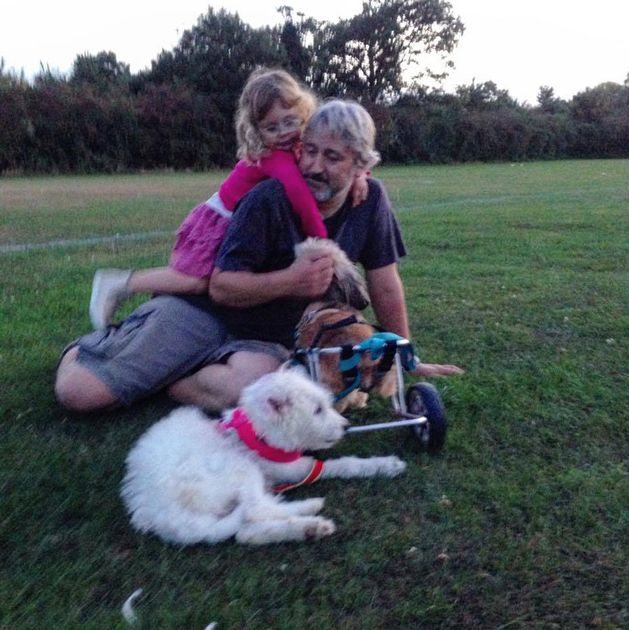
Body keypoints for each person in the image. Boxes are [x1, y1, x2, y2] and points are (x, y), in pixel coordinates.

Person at [55, 99, 462, 414]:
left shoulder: (370, 200)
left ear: (361, 164)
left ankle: (173, 375)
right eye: (311, 151)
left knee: (277, 396)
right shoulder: (267, 198)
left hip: (266, 338)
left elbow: (384, 280)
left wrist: (405, 353)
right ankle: (94, 345)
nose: (315, 166)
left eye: (333, 157)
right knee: (81, 395)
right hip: (201, 312)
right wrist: (292, 280)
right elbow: (220, 286)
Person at [88, 68, 366, 330]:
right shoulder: (275, 159)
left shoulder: (298, 144)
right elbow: (301, 197)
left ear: (303, 113)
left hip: (235, 213)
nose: (283, 133)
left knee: (202, 280)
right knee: (199, 281)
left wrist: (360, 174)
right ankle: (123, 282)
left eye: (290, 122)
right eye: (271, 127)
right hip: (221, 217)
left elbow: (339, 143)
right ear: (256, 130)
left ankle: (147, 298)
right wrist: (324, 242)